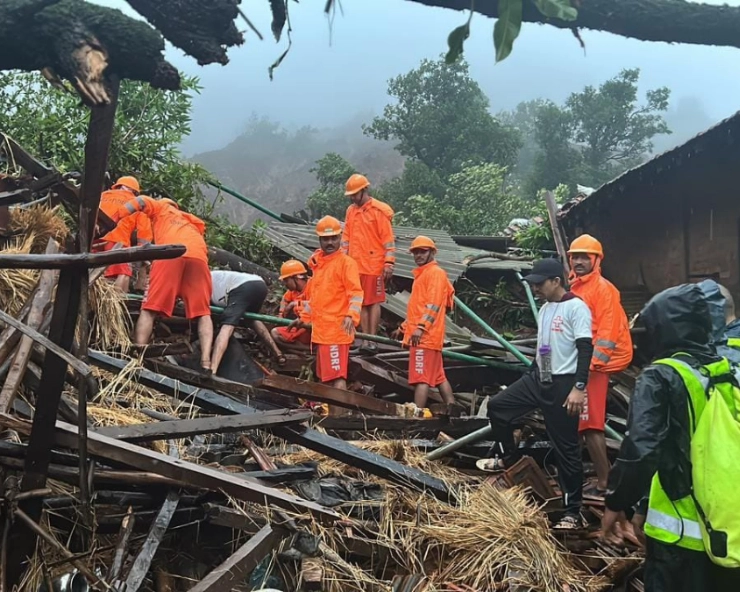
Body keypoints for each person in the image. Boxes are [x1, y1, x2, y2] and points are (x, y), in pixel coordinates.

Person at [602, 282, 740, 592]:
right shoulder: (724, 370)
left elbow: (642, 449)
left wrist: (617, 504)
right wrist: (642, 507)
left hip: (679, 538)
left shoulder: (661, 375)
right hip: (726, 528)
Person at [480, 258, 593, 530]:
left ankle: (573, 512)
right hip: (539, 378)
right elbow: (544, 348)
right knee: (499, 407)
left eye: (540, 283)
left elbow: (585, 349)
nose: (536, 288)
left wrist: (579, 388)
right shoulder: (545, 309)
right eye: (534, 284)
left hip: (564, 383)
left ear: (556, 280)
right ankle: (509, 460)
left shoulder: (576, 307)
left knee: (565, 447)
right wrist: (531, 376)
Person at [109, 196, 214, 371]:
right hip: (199, 258)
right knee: (203, 313)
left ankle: (137, 358)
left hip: (171, 253)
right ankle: (206, 363)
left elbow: (141, 200)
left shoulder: (161, 208)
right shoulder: (189, 221)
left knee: (150, 308)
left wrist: (116, 218)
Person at [567, 234, 633, 495]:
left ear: (596, 260)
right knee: (582, 423)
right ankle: (596, 477)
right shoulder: (576, 287)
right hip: (583, 364)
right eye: (576, 257)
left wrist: (590, 367)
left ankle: (605, 483)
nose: (580, 261)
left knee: (590, 424)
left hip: (594, 367)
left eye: (585, 257)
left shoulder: (602, 289)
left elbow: (607, 331)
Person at [290, 216, 363, 390]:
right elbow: (316, 298)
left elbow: (356, 293)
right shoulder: (320, 266)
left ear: (340, 238)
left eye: (333, 238)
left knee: (337, 377)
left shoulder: (346, 264)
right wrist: (304, 318)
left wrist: (351, 316)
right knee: (326, 378)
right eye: (325, 238)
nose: (330, 242)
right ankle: (332, 413)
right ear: (320, 240)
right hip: (322, 332)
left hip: (337, 330)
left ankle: (339, 415)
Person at [341, 173, 395, 353]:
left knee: (373, 302)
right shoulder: (351, 211)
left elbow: (388, 240)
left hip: (374, 264)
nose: (352, 198)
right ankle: (365, 341)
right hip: (356, 265)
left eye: (354, 194)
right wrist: (341, 259)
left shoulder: (379, 211)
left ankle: (372, 340)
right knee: (361, 302)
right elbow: (346, 236)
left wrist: (389, 263)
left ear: (364, 190)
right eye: (351, 195)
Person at [402, 236, 455, 409]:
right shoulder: (424, 274)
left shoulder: (435, 273)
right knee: (439, 377)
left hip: (425, 337)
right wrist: (403, 327)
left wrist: (420, 328)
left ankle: (416, 416)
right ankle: (453, 409)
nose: (418, 255)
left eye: (423, 251)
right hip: (426, 336)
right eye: (416, 252)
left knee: (421, 378)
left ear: (432, 252)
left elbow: (433, 305)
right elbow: (418, 307)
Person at [95, 176, 153, 292]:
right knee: (123, 272)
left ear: (117, 186)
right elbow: (144, 233)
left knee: (95, 272)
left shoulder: (103, 195)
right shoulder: (137, 203)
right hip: (117, 240)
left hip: (95, 238)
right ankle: (117, 305)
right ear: (134, 191)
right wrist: (143, 255)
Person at [210, 269, 269, 374]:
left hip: (242, 287)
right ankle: (278, 353)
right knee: (252, 318)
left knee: (227, 326)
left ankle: (212, 369)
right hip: (260, 284)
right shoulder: (213, 276)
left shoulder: (201, 283)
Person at [271, 260, 312, 352]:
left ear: (296, 278)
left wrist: (295, 304)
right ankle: (306, 349)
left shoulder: (315, 285)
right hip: (302, 328)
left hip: (317, 328)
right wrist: (281, 313)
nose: (285, 284)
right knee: (275, 333)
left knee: (299, 308)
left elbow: (319, 303)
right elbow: (284, 299)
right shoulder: (293, 290)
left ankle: (313, 349)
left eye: (286, 280)